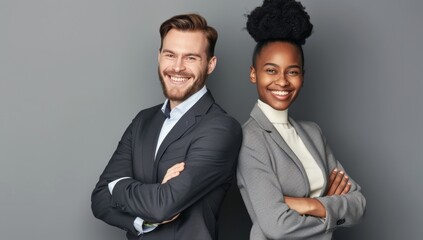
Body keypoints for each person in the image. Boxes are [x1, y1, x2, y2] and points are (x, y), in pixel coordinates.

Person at [91, 13, 242, 240]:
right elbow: (100, 199)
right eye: (170, 55)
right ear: (159, 56)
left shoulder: (221, 128)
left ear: (210, 65)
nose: (177, 67)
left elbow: (163, 204)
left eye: (190, 58)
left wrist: (119, 186)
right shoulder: (143, 120)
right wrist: (146, 217)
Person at [236, 0, 366, 239]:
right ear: (253, 74)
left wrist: (309, 205)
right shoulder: (248, 139)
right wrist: (332, 207)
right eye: (271, 70)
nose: (283, 81)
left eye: (292, 71)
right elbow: (277, 226)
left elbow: (358, 204)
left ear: (302, 77)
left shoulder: (313, 133)